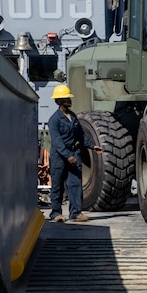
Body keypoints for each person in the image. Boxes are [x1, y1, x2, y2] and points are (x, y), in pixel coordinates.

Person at [48, 84, 102, 222]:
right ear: (60, 101)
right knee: (58, 185)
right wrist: (68, 156)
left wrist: (92, 146)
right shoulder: (54, 120)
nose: (70, 100)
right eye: (67, 98)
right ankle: (55, 214)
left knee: (75, 184)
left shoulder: (72, 116)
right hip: (60, 157)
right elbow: (57, 142)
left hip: (74, 153)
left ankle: (76, 213)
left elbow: (81, 136)